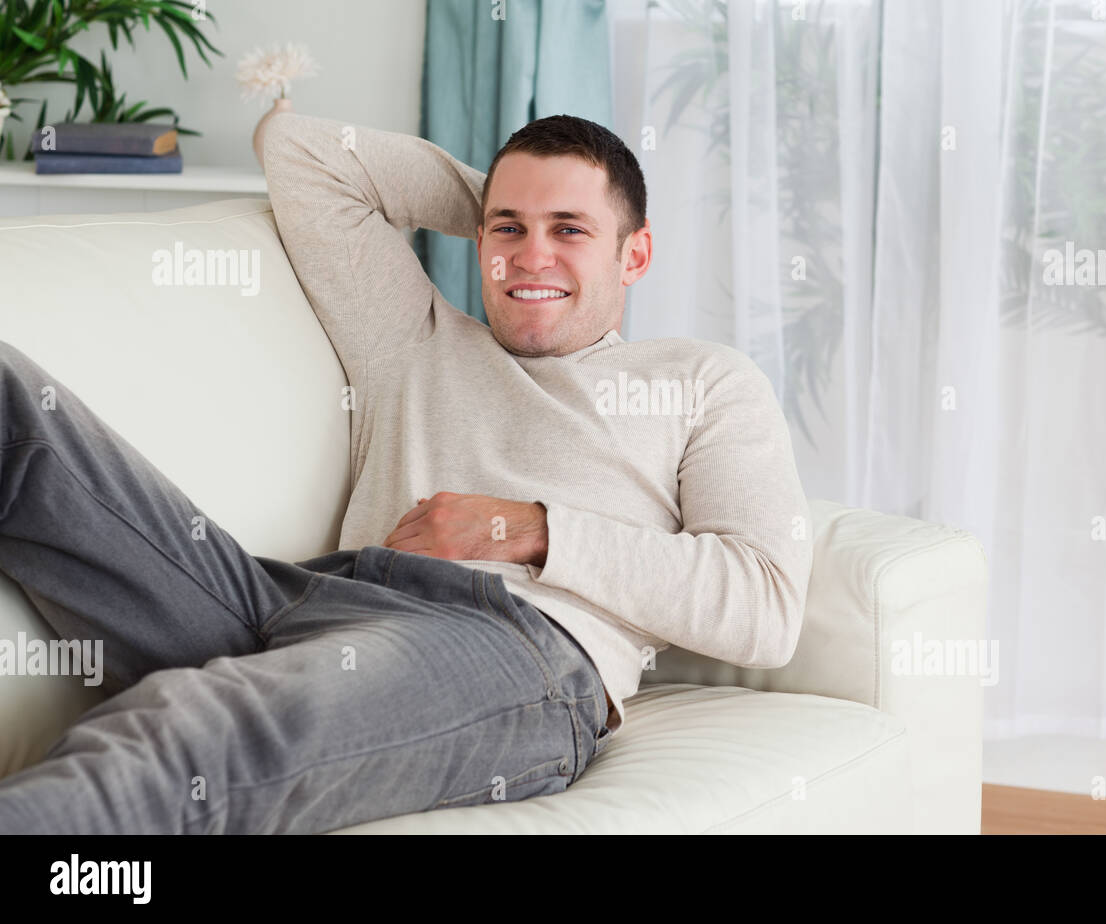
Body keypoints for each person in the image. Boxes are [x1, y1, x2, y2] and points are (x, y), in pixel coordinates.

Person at [0, 111, 812, 833]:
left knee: (194, 728)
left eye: (572, 231)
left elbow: (764, 608)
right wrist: (509, 202)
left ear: (636, 254)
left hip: (507, 647)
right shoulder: (412, 334)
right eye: (508, 231)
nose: (531, 257)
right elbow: (303, 150)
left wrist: (529, 529)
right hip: (293, 600)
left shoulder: (704, 379)